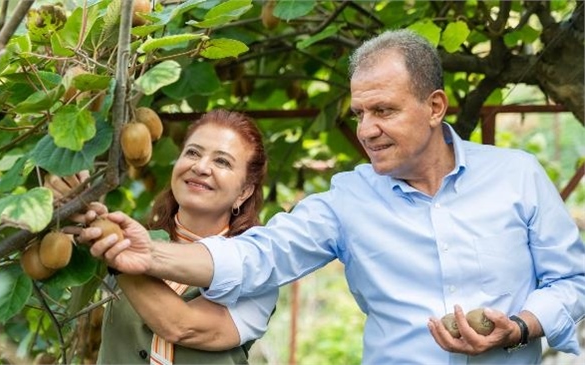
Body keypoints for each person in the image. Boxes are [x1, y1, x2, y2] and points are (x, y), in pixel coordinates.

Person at [88, 29, 585, 364]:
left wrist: (520, 326)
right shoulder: (348, 199)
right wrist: (147, 253)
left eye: (384, 111)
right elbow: (260, 255)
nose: (366, 130)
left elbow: (573, 281)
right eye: (359, 113)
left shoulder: (517, 174)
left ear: (435, 106)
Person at [48, 109, 278, 364]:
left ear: (244, 192)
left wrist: (116, 252)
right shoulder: (137, 238)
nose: (200, 167)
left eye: (221, 161)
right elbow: (56, 264)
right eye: (192, 152)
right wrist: (65, 197)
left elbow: (183, 326)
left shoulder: (257, 270)